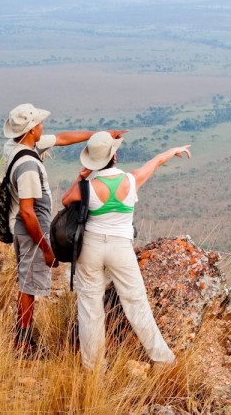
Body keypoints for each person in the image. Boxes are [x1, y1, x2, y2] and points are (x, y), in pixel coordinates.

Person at [2, 103, 125, 357]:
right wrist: (45, 249)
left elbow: (62, 138)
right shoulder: (27, 166)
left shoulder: (17, 146)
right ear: (31, 130)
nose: (42, 127)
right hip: (29, 232)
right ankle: (22, 344)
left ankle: (23, 338)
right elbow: (27, 212)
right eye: (39, 124)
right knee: (28, 286)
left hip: (27, 229)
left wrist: (99, 137)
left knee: (28, 283)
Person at [61, 131, 191, 370]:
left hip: (90, 247)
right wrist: (173, 151)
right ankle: (162, 359)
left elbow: (65, 200)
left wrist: (81, 177)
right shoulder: (131, 180)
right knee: (136, 302)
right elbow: (155, 162)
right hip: (121, 248)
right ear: (115, 155)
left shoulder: (87, 187)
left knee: (90, 306)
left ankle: (94, 368)